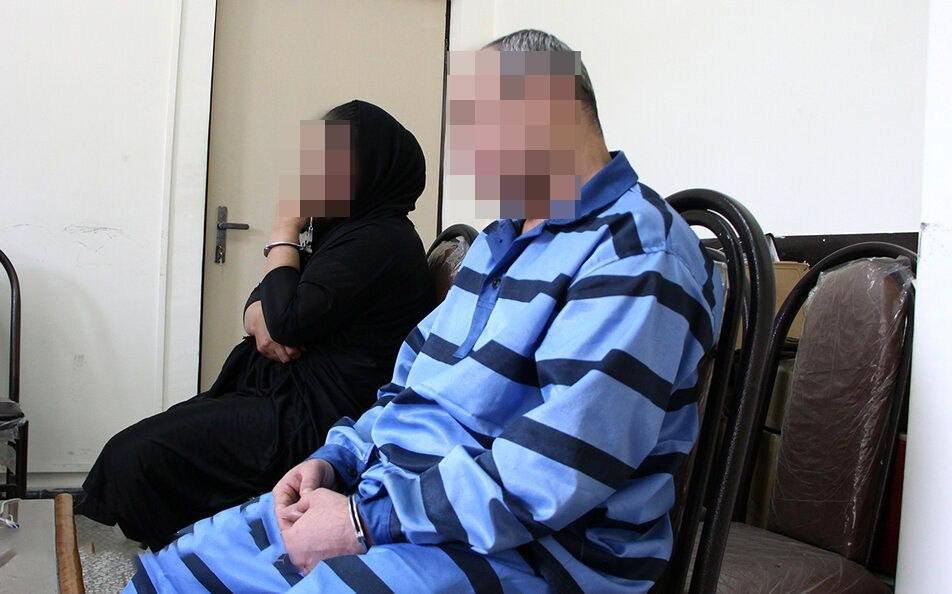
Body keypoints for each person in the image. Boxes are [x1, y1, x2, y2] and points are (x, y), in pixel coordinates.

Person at [125, 30, 723, 593]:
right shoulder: (497, 242)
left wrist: (364, 521)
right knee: (178, 569)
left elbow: (556, 469)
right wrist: (336, 458)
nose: (469, 154)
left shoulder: (635, 253)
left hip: (538, 550)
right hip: (407, 499)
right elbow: (409, 388)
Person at [78, 100, 435, 550]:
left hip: (317, 419)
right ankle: (200, 546)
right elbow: (263, 301)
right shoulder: (343, 231)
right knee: (148, 443)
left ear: (372, 168)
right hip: (282, 395)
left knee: (138, 455)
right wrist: (263, 316)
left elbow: (282, 319)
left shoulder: (379, 241)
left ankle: (201, 552)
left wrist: (283, 228)